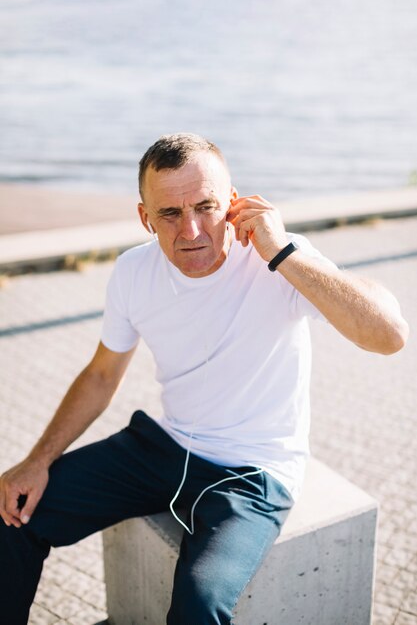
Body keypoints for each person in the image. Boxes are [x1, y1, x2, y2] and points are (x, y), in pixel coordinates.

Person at [0, 133, 409, 625]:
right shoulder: (133, 271)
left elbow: (389, 336)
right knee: (11, 515)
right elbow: (102, 373)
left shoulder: (279, 260)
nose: (191, 229)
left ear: (233, 203)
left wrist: (281, 252)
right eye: (169, 213)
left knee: (198, 605)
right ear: (144, 217)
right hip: (165, 447)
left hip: (254, 473)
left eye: (206, 206)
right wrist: (38, 460)